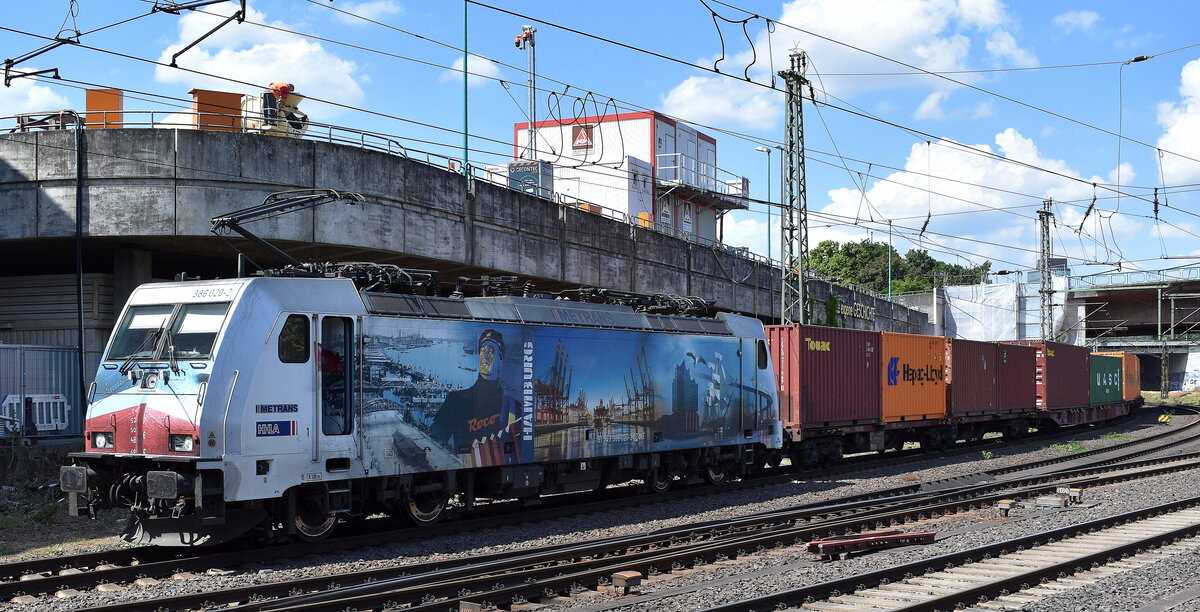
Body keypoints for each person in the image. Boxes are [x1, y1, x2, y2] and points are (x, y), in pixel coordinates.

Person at [429, 329, 523, 465]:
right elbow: (433, 445)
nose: (485, 356)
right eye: (482, 351)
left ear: (501, 359)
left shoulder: (515, 407)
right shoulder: (455, 401)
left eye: (491, 351)